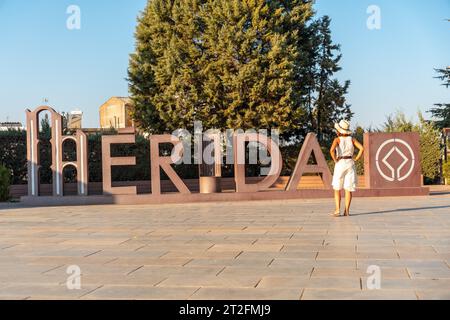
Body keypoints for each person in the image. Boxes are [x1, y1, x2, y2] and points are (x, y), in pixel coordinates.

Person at [329, 120, 364, 217]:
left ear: (339, 130)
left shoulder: (337, 139)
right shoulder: (352, 139)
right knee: (348, 188)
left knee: (337, 188)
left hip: (340, 162)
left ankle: (337, 210)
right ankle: (347, 211)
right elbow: (362, 148)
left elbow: (331, 150)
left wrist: (335, 160)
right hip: (350, 163)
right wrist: (356, 158)